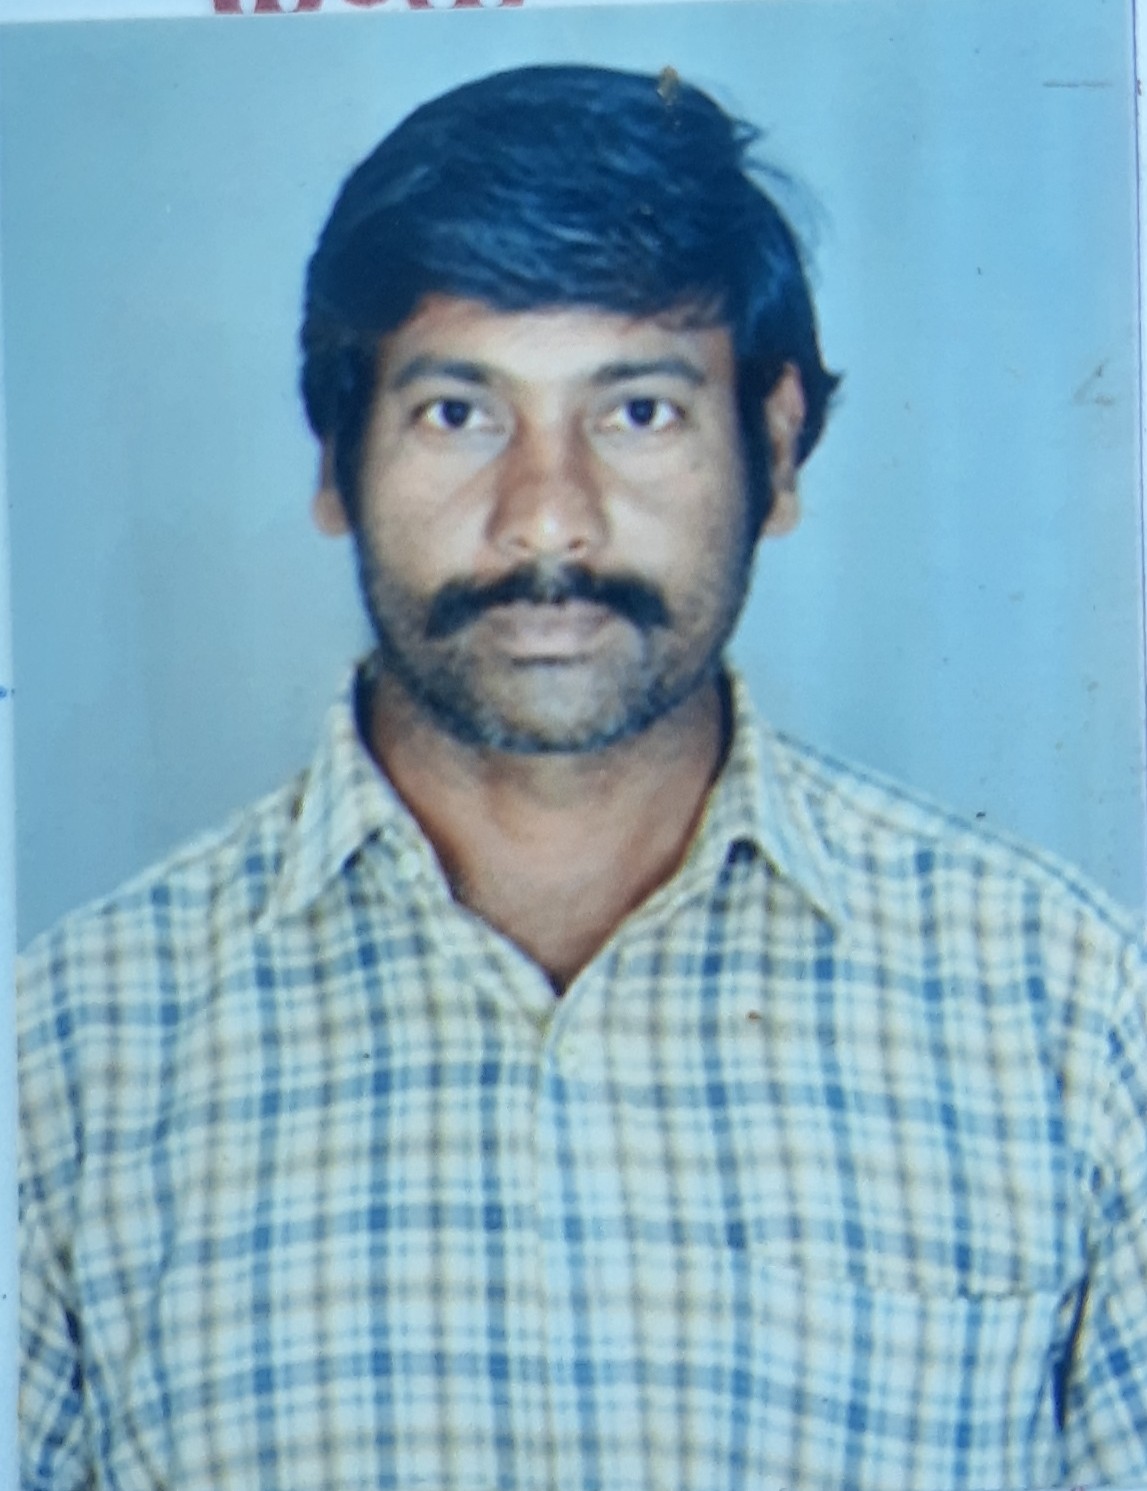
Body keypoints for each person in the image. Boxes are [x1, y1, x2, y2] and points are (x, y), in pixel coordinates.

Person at [17, 62, 1147, 1491]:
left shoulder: (1071, 1014)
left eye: (640, 412)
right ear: (335, 457)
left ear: (776, 446)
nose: (547, 519)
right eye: (457, 412)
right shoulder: (64, 1063)